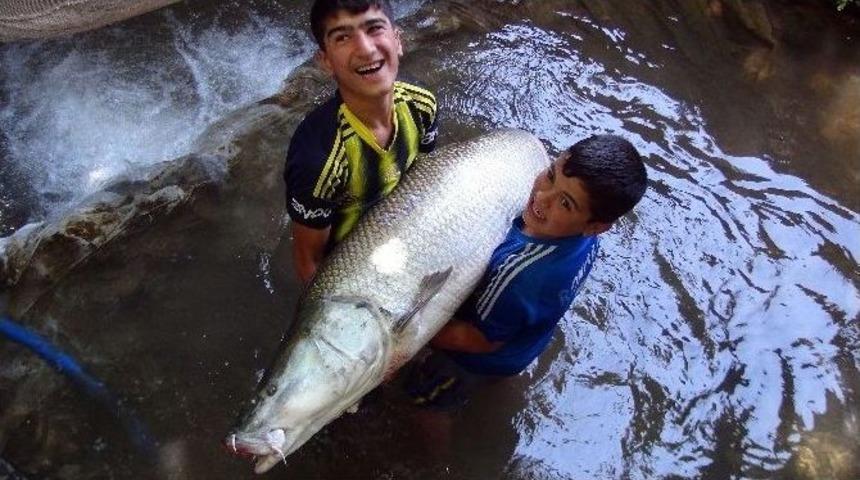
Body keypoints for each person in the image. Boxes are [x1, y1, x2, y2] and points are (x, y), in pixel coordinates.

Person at [406, 134, 648, 408]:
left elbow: (480, 340)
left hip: (470, 357)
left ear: (596, 226)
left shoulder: (520, 274)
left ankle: (434, 440)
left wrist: (407, 339)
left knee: (427, 402)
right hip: (522, 345)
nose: (542, 197)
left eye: (565, 203)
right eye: (550, 175)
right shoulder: (584, 240)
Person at [284, 0, 439, 284]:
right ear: (326, 61)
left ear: (397, 40)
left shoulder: (422, 106)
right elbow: (309, 262)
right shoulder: (317, 159)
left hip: (405, 233)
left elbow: (427, 180)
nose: (366, 49)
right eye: (343, 37)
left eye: (374, 28)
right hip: (350, 269)